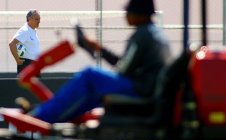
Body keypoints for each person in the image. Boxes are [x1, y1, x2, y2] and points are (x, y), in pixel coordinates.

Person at [29, 0, 171, 123]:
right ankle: (55, 112)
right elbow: (125, 65)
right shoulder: (154, 34)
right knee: (94, 87)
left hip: (140, 90)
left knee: (89, 75)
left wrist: (99, 51)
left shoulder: (142, 35)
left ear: (141, 14)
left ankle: (42, 116)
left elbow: (122, 69)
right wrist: (98, 48)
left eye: (129, 12)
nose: (126, 15)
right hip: (146, 88)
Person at [9, 9, 41, 76]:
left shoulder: (32, 30)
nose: (39, 21)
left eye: (39, 19)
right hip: (27, 65)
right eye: (36, 19)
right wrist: (17, 60)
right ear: (29, 19)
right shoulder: (25, 30)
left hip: (35, 65)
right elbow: (12, 44)